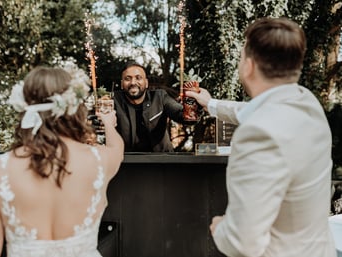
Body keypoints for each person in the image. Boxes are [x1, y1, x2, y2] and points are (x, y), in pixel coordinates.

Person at [186, 17, 336, 257]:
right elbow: (252, 111)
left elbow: (242, 242)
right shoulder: (306, 103)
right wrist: (210, 104)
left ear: (249, 66)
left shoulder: (258, 133)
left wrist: (221, 227)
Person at [0, 66, 124, 257]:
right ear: (74, 106)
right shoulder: (98, 160)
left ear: (26, 105)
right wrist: (109, 123)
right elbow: (117, 149)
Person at [114, 62, 185, 152]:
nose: (133, 82)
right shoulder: (114, 100)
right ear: (121, 84)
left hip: (162, 160)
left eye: (138, 78)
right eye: (128, 79)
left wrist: (192, 108)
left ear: (146, 83)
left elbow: (180, 114)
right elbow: (99, 120)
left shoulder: (160, 97)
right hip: (127, 162)